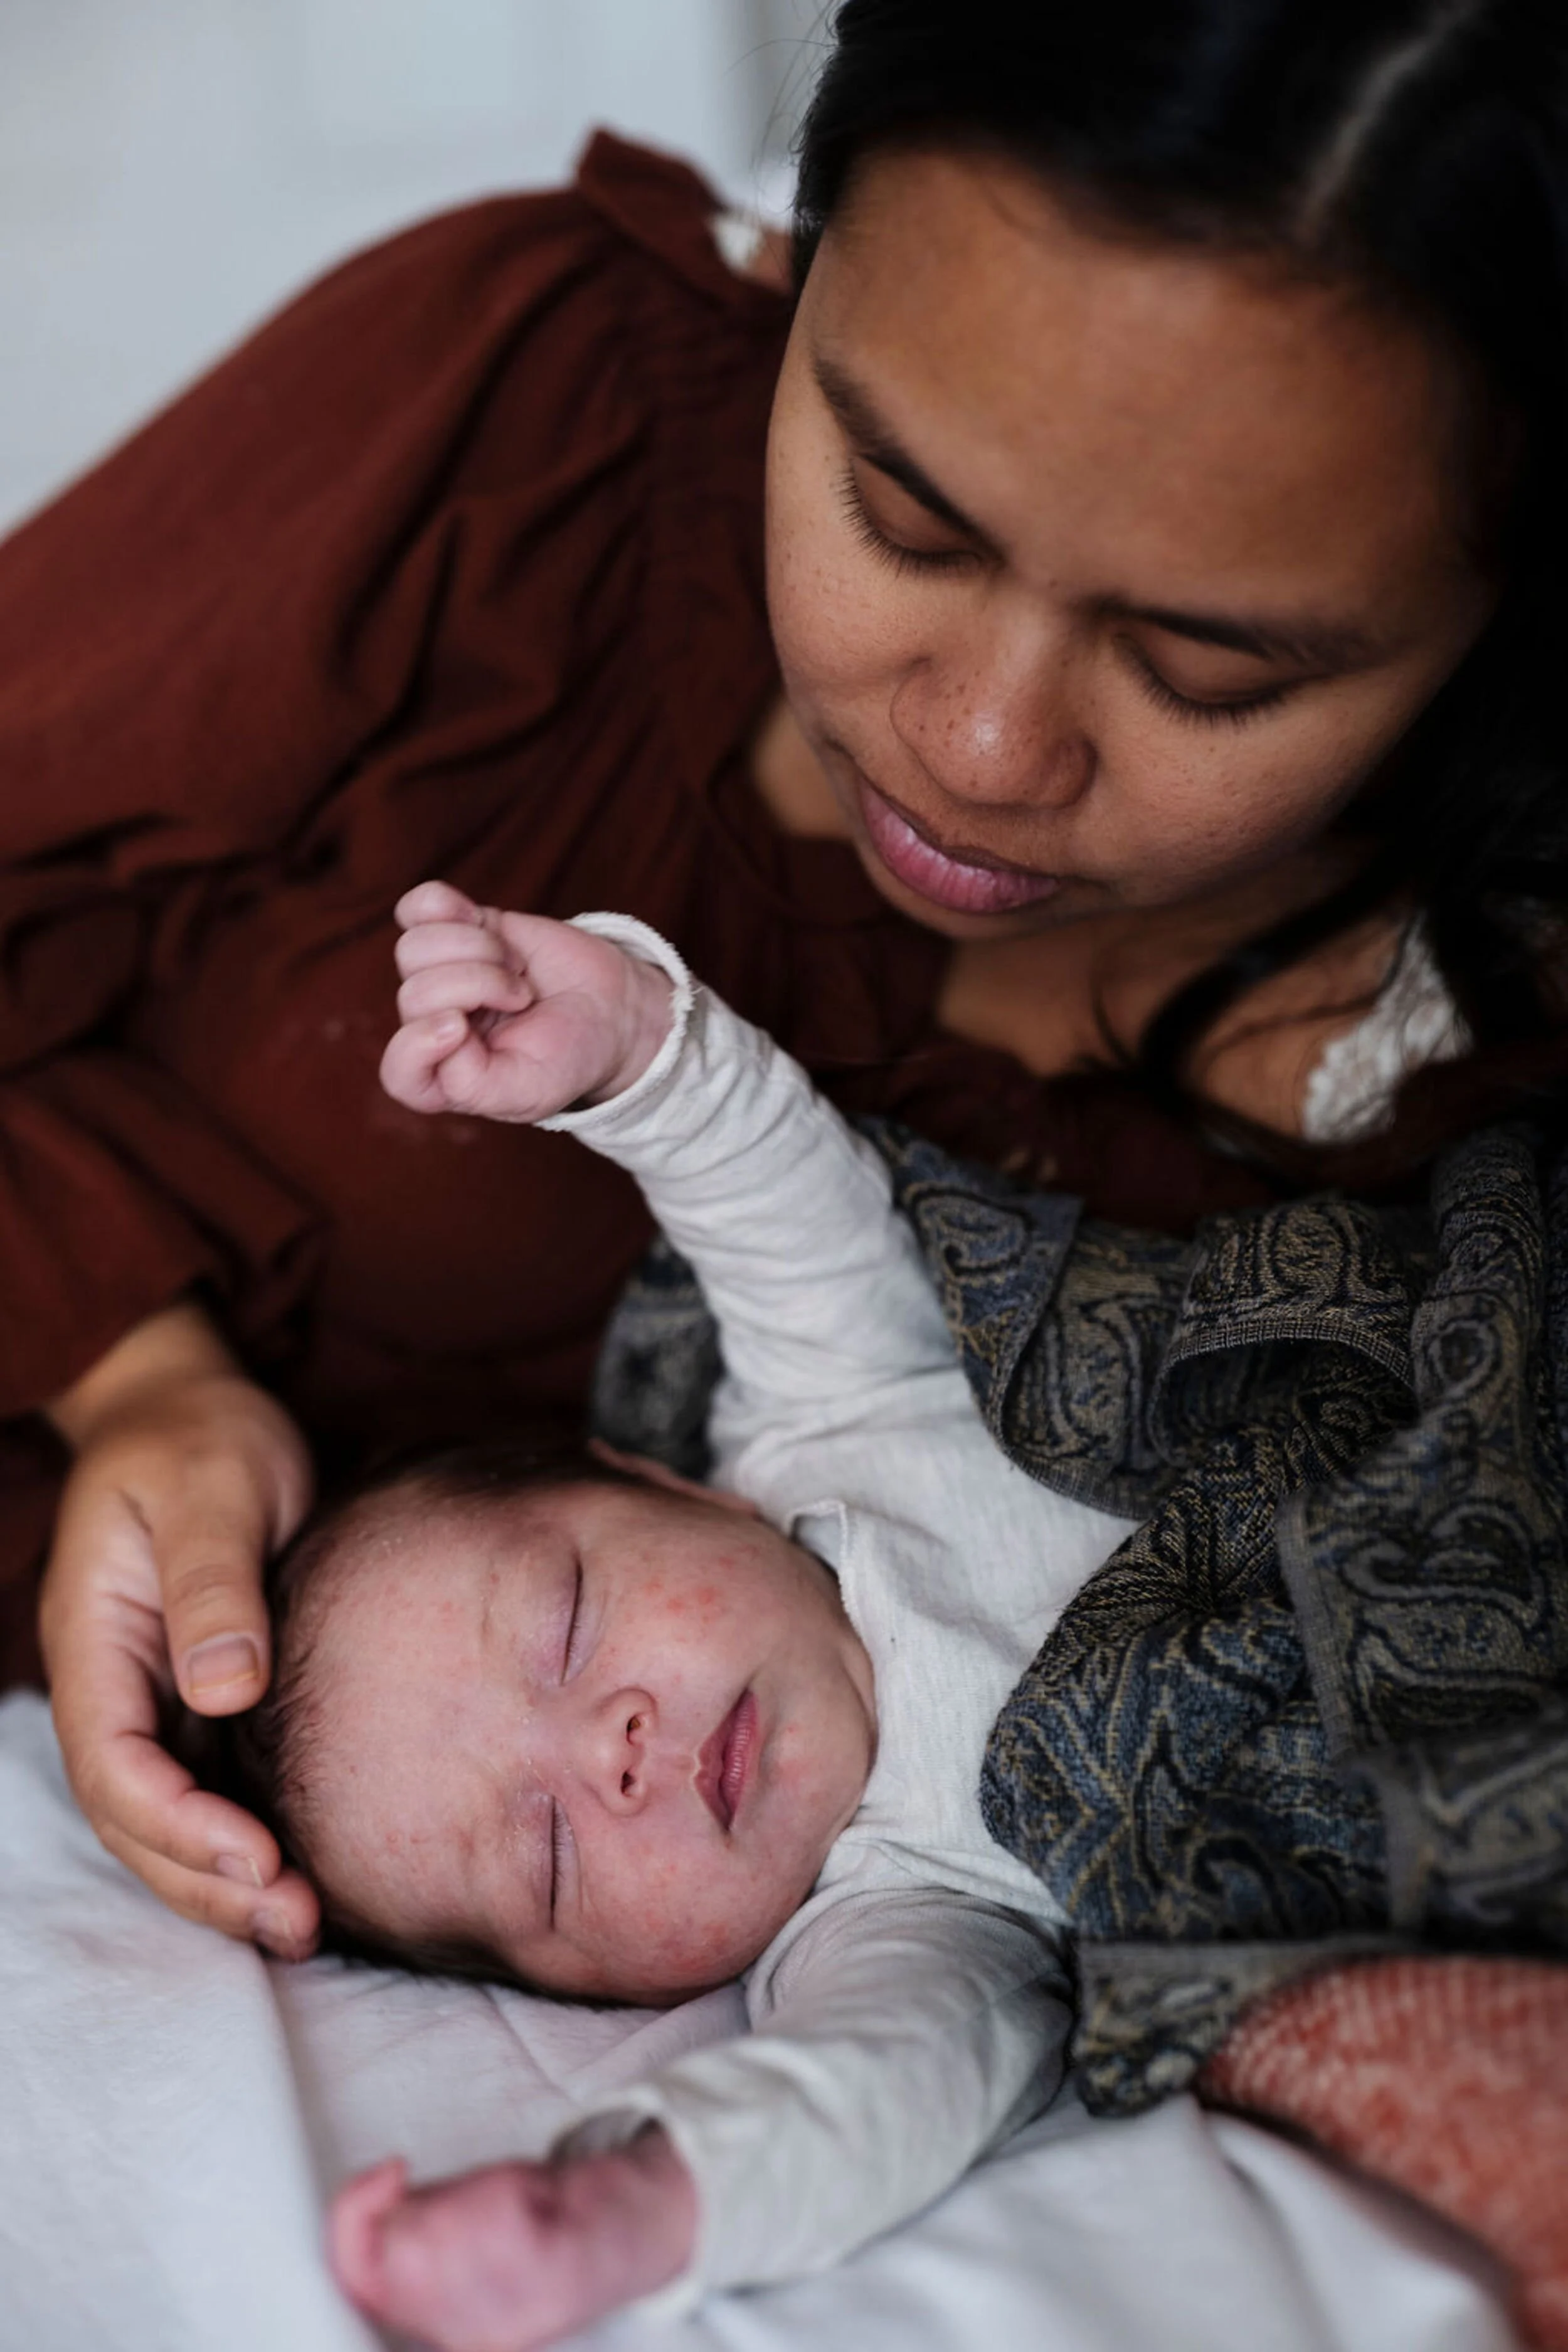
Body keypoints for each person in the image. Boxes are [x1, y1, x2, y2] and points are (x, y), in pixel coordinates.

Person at [11, 0, 1565, 1964]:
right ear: (802, 267)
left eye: (1212, 668)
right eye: (900, 519)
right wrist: (129, 1370)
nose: (983, 746)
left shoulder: (1469, 1060)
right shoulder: (533, 418)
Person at [246, 879, 1139, 2347]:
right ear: (596, 1995)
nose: (610, 1754)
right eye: (545, 1857)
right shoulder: (904, 1910)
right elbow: (880, 2084)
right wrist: (620, 2214)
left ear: (671, 1485)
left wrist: (630, 1054)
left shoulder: (838, 1418)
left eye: (567, 1621)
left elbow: (781, 1209)